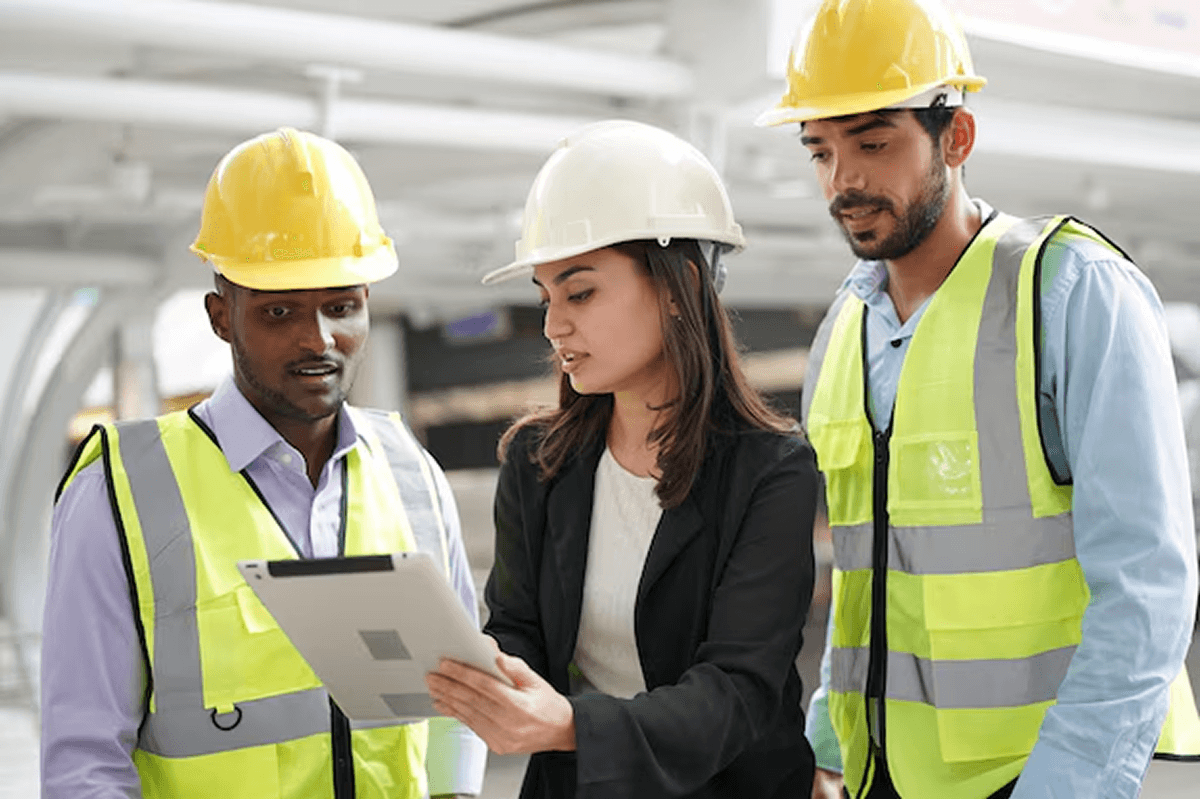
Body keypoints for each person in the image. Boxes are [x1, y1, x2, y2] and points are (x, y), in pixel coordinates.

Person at [755, 1, 1200, 797]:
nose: (842, 179)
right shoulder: (842, 332)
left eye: (873, 142)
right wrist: (829, 744)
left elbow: (1149, 585)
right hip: (885, 777)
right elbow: (866, 576)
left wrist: (1067, 784)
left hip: (1062, 775)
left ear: (955, 136)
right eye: (819, 149)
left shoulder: (1068, 293)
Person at [41, 127, 486, 798]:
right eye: (280, 311)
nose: (319, 339)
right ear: (222, 316)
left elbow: (462, 701)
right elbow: (84, 761)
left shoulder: (411, 476)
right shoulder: (121, 491)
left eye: (343, 306)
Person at [423, 119, 820, 797]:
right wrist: (492, 675)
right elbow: (519, 628)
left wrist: (572, 724)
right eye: (545, 297)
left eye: (579, 292)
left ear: (677, 286)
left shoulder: (771, 470)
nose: (553, 326)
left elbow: (737, 691)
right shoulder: (537, 461)